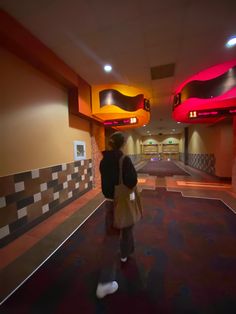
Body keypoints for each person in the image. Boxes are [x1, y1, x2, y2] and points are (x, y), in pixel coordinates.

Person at [96, 131, 138, 298]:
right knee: (127, 228)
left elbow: (106, 183)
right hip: (123, 203)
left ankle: (125, 255)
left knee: (112, 236)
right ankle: (123, 257)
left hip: (109, 202)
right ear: (123, 144)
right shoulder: (124, 159)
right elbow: (132, 181)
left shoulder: (103, 160)